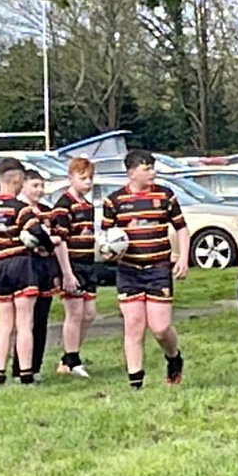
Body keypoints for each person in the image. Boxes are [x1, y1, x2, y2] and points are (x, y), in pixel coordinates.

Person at [101, 150, 190, 389]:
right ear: (131, 172)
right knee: (134, 325)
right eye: (147, 169)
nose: (153, 172)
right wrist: (109, 252)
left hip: (158, 268)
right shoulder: (114, 201)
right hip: (129, 270)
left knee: (160, 328)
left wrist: (182, 257)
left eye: (153, 168)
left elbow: (181, 228)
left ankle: (174, 357)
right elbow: (106, 239)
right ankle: (136, 383)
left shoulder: (165, 196)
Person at [0, 158, 40, 385]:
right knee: (25, 322)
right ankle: (25, 373)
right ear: (17, 180)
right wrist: (42, 243)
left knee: (4, 323)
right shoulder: (20, 208)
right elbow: (36, 231)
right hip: (21, 264)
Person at [14, 170, 73, 381]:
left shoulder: (48, 212)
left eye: (41, 186)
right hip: (26, 269)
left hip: (46, 269)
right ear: (23, 186)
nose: (39, 190)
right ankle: (20, 368)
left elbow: (58, 239)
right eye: (34, 186)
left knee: (41, 319)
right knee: (24, 322)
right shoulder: (18, 210)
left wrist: (63, 270)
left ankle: (36, 367)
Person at [50, 158, 98, 378]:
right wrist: (67, 273)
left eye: (90, 178)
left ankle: (67, 356)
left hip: (88, 263)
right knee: (75, 313)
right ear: (71, 178)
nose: (88, 182)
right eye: (83, 178)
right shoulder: (63, 205)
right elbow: (59, 241)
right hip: (72, 265)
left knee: (89, 314)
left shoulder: (88, 205)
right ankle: (72, 360)